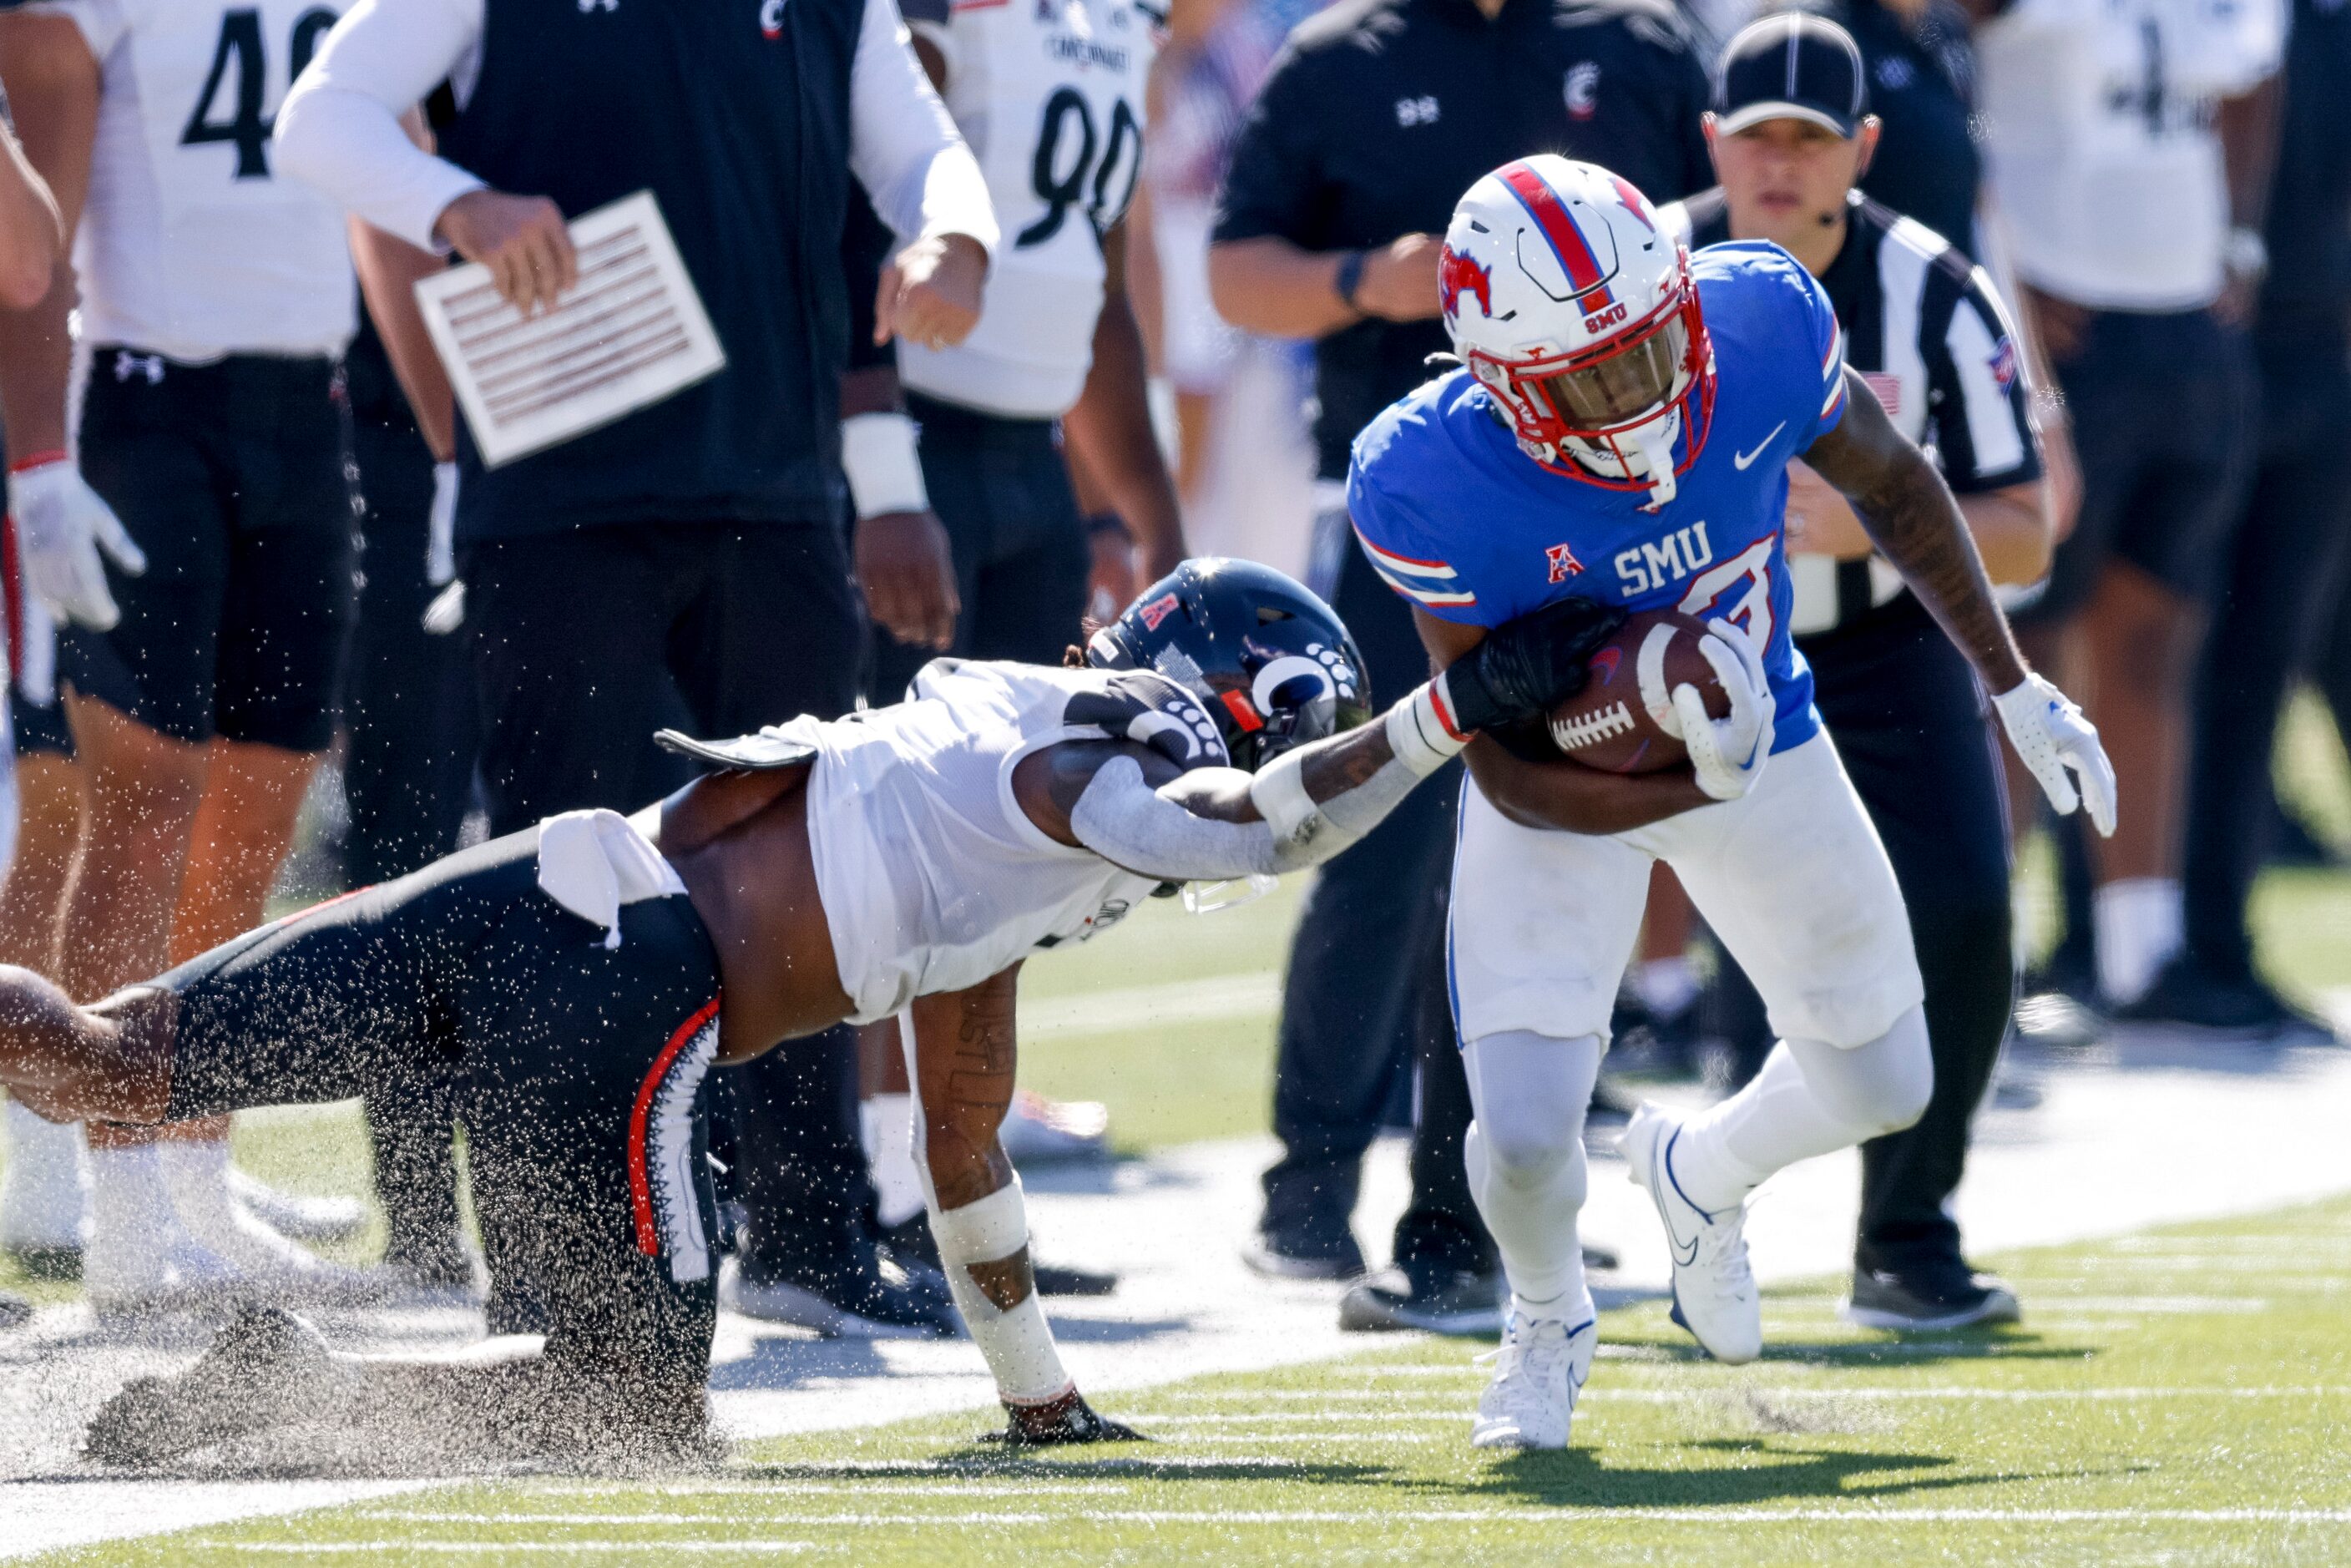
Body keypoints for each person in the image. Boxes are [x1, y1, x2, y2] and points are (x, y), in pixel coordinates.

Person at [0, 561, 1620, 1465]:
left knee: (101, 1061)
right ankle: (282, 1392)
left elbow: (964, 1133)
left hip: (539, 894)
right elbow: (1247, 823)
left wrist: (1036, 1396)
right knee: (630, 1413)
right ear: (1236, 698)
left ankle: (271, 1384)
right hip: (617, 983)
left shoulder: (1001, 819)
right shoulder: (1088, 755)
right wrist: (1445, 716)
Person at [1347, 154, 2115, 1450]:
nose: (1638, 394)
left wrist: (2015, 684)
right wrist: (1643, 771)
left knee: (1889, 1080)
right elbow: (1493, 755)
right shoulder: (1429, 481)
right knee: (1526, 1143)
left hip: (1761, 737)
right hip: (1558, 782)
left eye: (1651, 349)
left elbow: (1896, 481)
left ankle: (1699, 1171)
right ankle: (1547, 1317)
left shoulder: (1757, 319)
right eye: (1591, 378)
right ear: (1502, 383)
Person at [273, 0, 1002, 1332]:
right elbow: (320, 114)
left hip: (776, 492)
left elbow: (923, 156)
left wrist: (954, 237)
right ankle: (559, 1264)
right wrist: (458, 204)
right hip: (560, 500)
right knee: (572, 882)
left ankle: (806, 1240)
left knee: (811, 872)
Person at [1207, 0, 1716, 1332]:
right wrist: (1366, 282)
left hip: (1597, 494)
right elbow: (1233, 269)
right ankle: (1306, 1186)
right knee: (1382, 839)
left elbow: (1707, 236)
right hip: (1408, 507)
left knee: (1559, 837)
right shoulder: (1338, 60)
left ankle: (1499, 1201)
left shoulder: (1641, 43)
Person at [1662, 13, 2051, 1328]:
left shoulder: (1934, 284)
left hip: (1886, 639)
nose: (1778, 163)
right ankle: (1473, 1233)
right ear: (1711, 138)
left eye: (1808, 139)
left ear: (1863, 150)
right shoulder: (1639, 270)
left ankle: (1908, 1233)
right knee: (1550, 909)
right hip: (1682, 643)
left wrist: (1869, 519)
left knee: (1965, 919)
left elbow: (2025, 519)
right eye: (1754, 135)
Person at [0, 0, 377, 1313]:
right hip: (149, 406)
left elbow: (384, 183)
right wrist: (41, 467)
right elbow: (29, 239)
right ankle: (118, 1218)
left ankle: (195, 1178)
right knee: (139, 812)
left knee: (256, 821)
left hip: (307, 405)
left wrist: (440, 441)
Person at [1974, 0, 2281, 1017]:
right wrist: (2001, 280)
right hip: (2064, 326)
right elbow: (1940, 87)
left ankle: (2136, 958)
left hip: (2184, 324)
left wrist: (2236, 236)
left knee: (2153, 641)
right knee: (2020, 652)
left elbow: (2250, 79)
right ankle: (1985, 955)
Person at [2141, 0, 2351, 1040]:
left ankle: (2215, 946)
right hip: (2186, 353)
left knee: (2252, 665)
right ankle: (2113, 949)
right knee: (2147, 655)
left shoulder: (2324, 27)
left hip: (2312, 367)